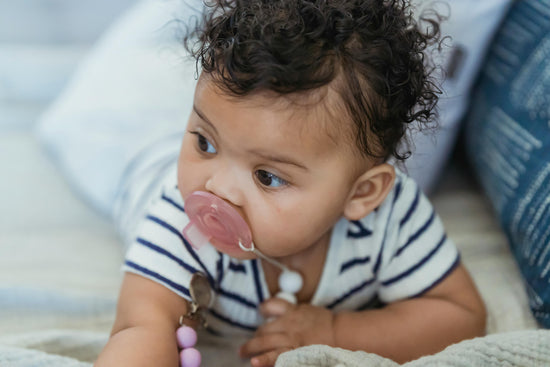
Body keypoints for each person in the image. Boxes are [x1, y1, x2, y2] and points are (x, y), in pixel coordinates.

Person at [95, 0, 486, 366]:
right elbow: (140, 326)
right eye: (204, 142)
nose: (216, 189)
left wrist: (337, 332)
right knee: (112, 142)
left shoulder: (392, 219)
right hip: (144, 176)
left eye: (267, 176)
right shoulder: (181, 219)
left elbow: (460, 316)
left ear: (362, 194)